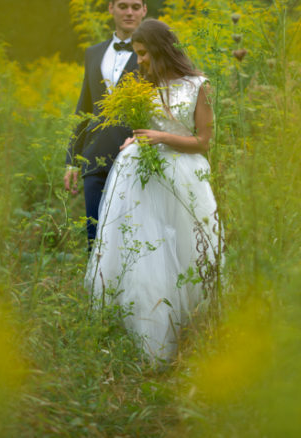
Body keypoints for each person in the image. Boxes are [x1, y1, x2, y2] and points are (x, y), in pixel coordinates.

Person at [84, 19, 221, 362]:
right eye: (136, 54)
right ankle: (143, 334)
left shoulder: (199, 85)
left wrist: (162, 138)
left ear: (160, 49)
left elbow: (204, 141)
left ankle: (193, 331)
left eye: (143, 54)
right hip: (140, 174)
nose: (140, 61)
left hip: (183, 175)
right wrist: (136, 137)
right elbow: (144, 126)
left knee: (185, 247)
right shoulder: (144, 85)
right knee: (145, 252)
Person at [64, 0, 148, 249]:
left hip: (137, 157)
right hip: (94, 158)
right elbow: (84, 107)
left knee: (132, 238)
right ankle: (95, 293)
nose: (129, 12)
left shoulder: (154, 54)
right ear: (111, 9)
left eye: (135, 7)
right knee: (94, 237)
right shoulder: (93, 53)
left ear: (144, 10)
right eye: (123, 6)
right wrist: (72, 159)